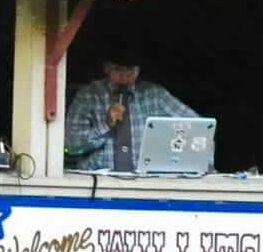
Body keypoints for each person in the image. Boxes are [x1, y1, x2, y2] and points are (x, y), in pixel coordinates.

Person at [65, 43, 198, 173]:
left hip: (145, 180)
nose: (124, 77)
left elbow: (197, 128)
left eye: (130, 71)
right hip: (97, 181)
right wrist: (105, 125)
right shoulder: (88, 95)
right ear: (106, 68)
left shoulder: (155, 95)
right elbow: (72, 146)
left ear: (138, 70)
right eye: (117, 70)